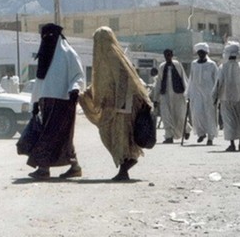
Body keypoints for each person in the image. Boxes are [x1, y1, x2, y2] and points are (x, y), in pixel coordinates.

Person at [79, 27, 154, 181]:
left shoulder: (114, 57)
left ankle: (124, 168)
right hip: (114, 106)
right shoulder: (104, 59)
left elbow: (126, 80)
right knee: (111, 136)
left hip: (122, 106)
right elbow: (101, 83)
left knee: (120, 138)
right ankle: (126, 165)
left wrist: (118, 103)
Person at [25, 23, 85, 180]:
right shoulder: (45, 55)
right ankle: (74, 166)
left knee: (49, 135)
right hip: (46, 102)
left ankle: (43, 168)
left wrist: (75, 89)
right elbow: (40, 80)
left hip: (63, 101)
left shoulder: (68, 54)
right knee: (62, 137)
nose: (46, 40)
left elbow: (78, 75)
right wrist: (36, 103)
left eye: (49, 37)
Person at [213, 42, 240, 152]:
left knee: (229, 122)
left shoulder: (222, 67)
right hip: (239, 98)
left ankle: (232, 144)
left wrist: (215, 96)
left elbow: (218, 83)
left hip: (225, 99)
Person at [152, 49, 189, 144]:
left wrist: (187, 94)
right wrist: (155, 98)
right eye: (166, 55)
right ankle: (169, 136)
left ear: (172, 55)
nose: (167, 57)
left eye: (169, 55)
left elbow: (183, 78)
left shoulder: (177, 65)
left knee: (180, 116)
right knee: (166, 116)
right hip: (165, 95)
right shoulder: (162, 67)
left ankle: (186, 129)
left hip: (178, 94)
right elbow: (159, 82)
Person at [186, 43, 218, 146]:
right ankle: (201, 133)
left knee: (210, 115)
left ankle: (210, 137)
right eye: (199, 53)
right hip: (196, 93)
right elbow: (191, 79)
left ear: (206, 53)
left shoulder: (212, 64)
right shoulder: (194, 64)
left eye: (203, 53)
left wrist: (217, 95)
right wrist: (189, 94)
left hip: (209, 94)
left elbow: (217, 80)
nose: (201, 54)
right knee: (198, 113)